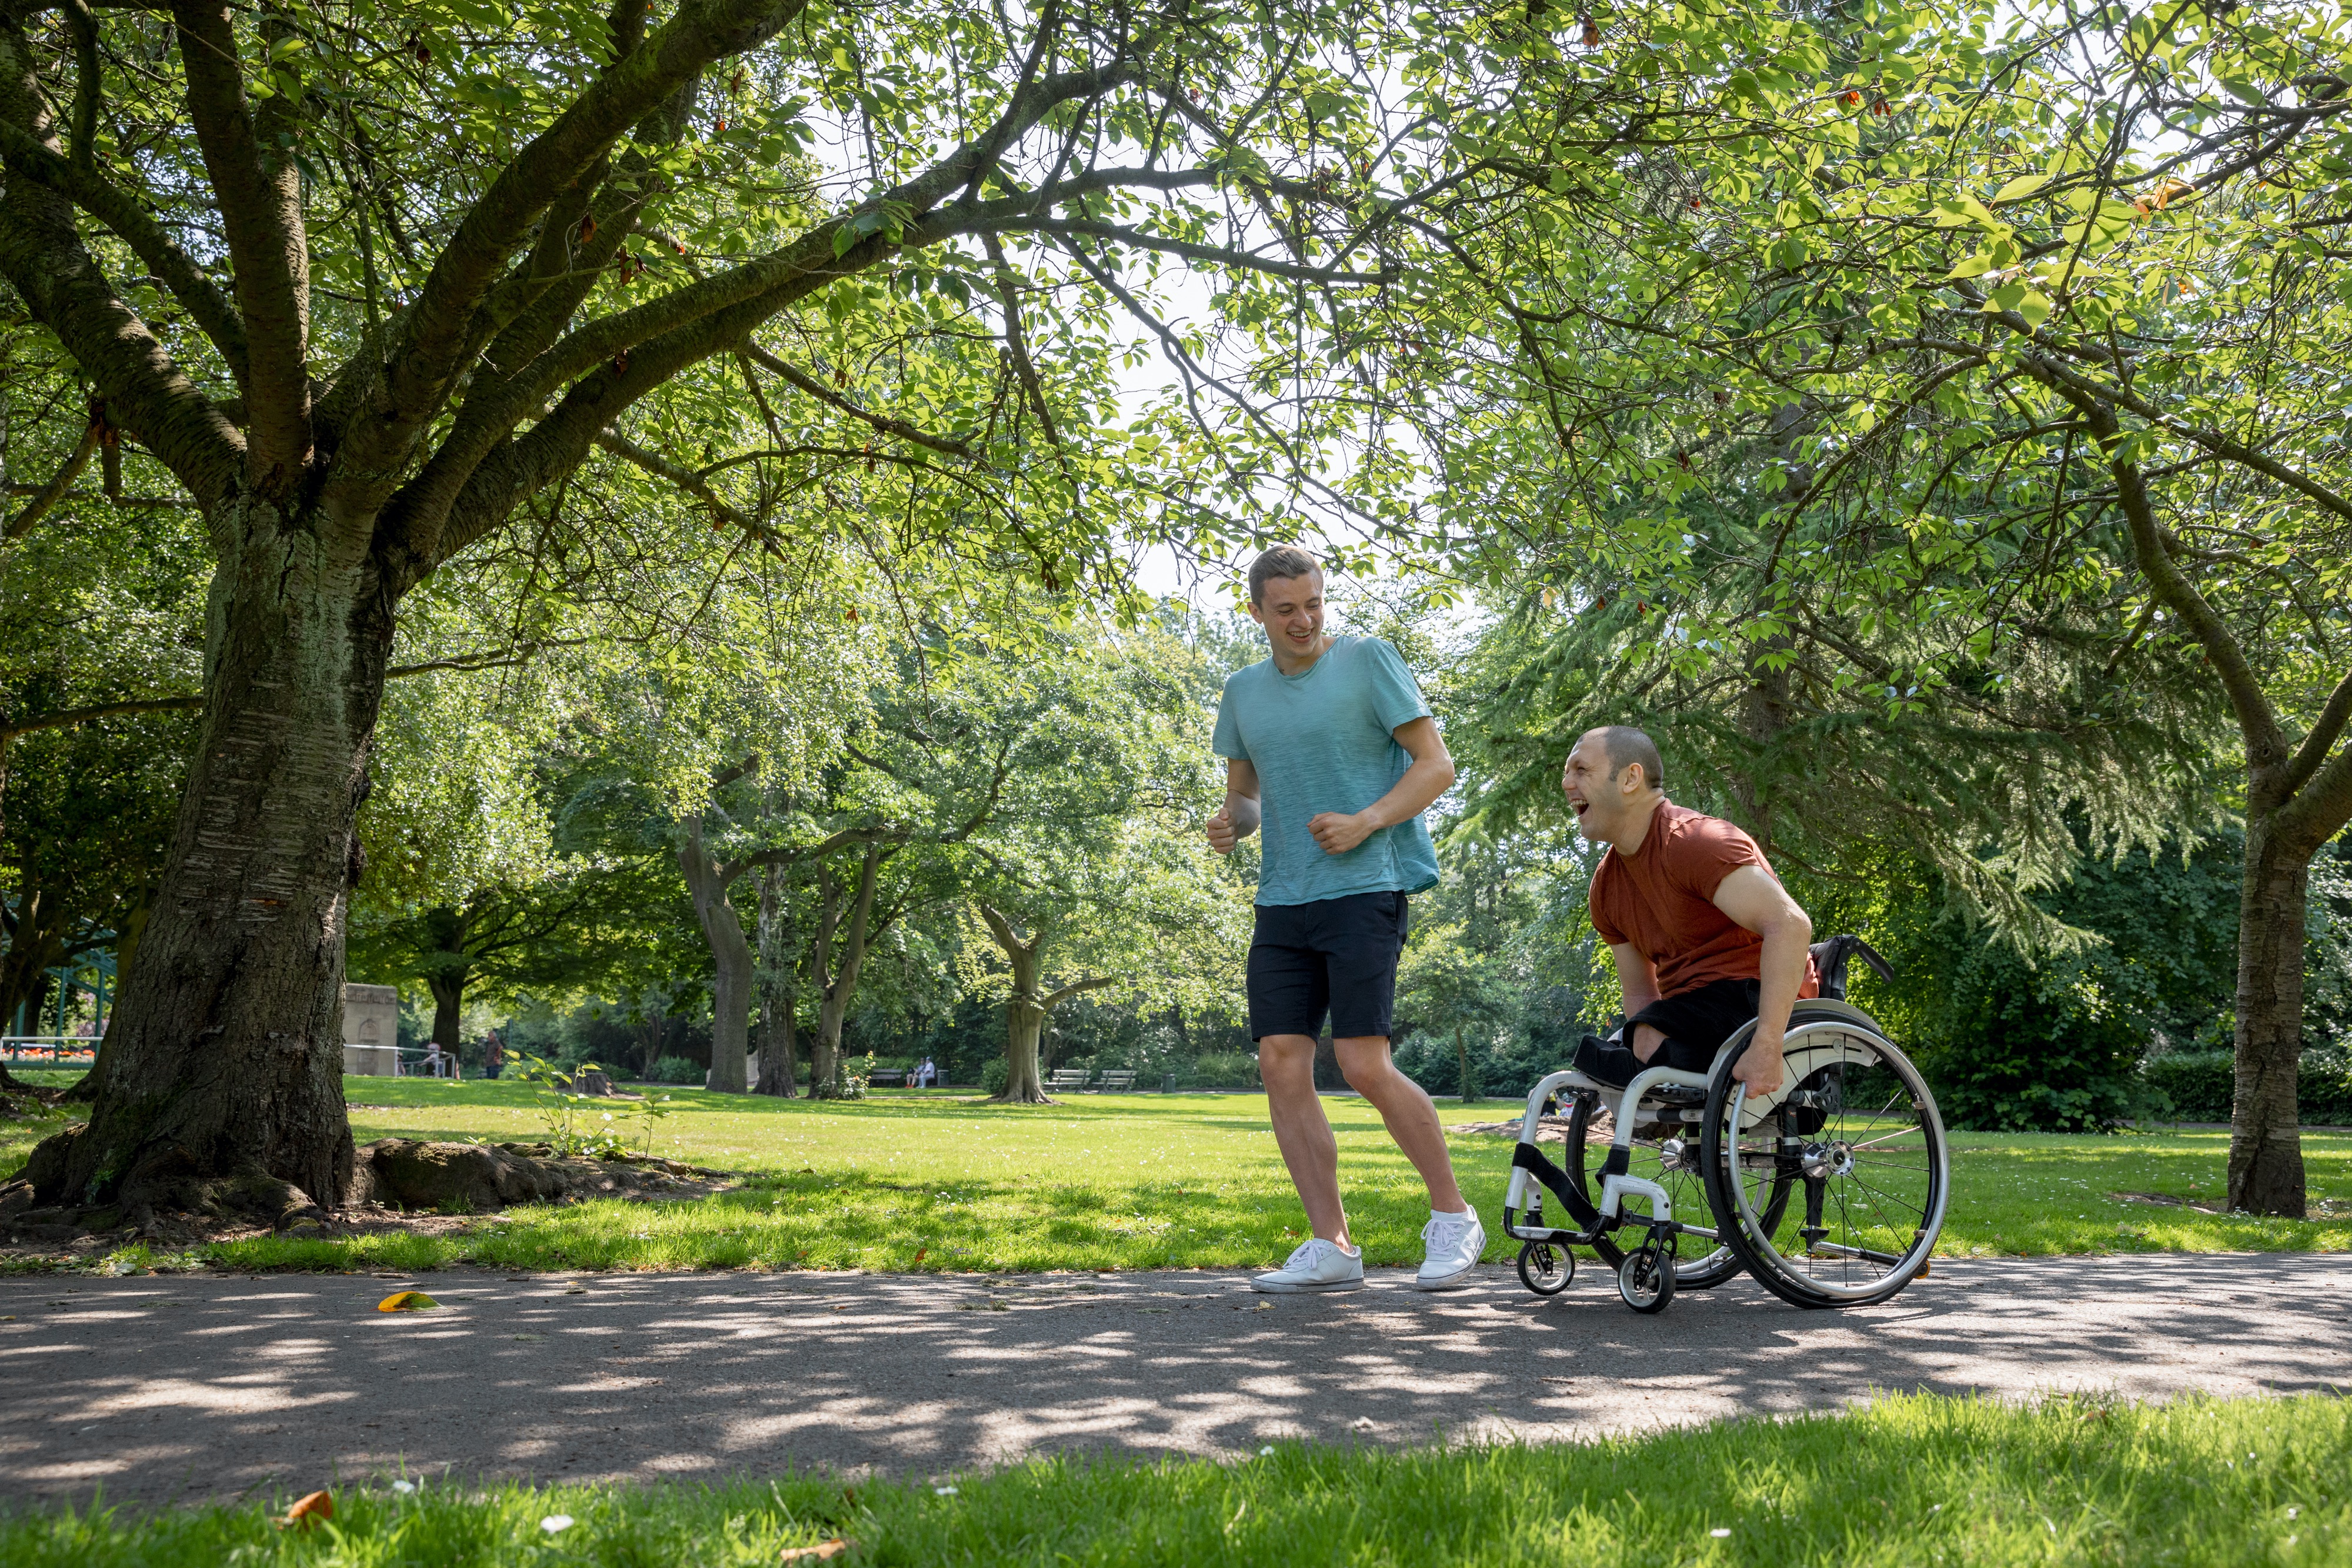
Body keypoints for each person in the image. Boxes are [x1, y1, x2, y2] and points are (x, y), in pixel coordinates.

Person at [1205, 546, 1484, 1292]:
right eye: (1286, 609)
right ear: (1256, 612)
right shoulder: (1243, 691)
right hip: (1282, 899)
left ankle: (1454, 1216)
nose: (1304, 620)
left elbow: (1436, 765)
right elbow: (1250, 797)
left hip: (1364, 885)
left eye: (1313, 603)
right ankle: (1331, 1244)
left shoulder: (1368, 661)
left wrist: (1365, 822)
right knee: (1280, 1064)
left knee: (1362, 1063)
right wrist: (1232, 822)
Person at [1559, 726, 1816, 1098]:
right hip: (1691, 1013)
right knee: (1607, 1055)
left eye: (1581, 770)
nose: (1567, 783)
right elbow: (1641, 995)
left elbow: (1791, 925)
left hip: (1758, 998)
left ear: (1631, 778)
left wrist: (1767, 1044)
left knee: (1642, 1038)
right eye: (1567, 773)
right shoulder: (1605, 888)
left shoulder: (1697, 842)